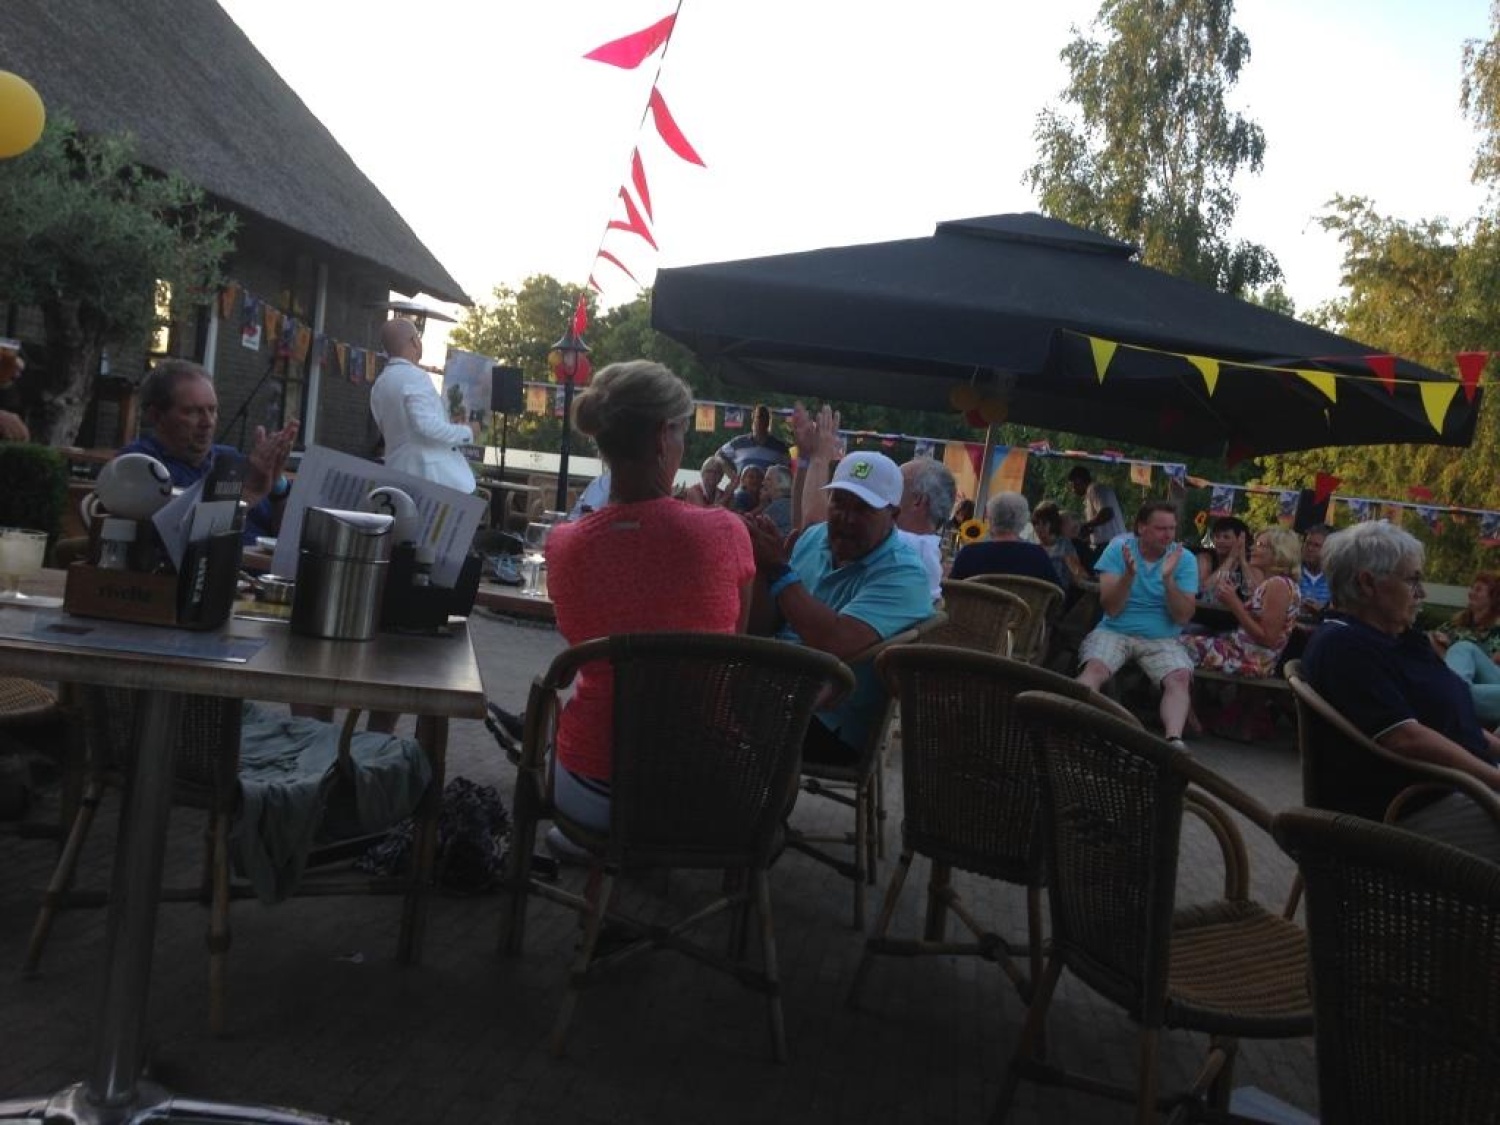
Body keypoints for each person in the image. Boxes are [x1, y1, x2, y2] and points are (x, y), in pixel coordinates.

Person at [546, 361, 755, 834]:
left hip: (589, 788)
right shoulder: (725, 531)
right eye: (682, 431)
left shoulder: (563, 544)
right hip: (698, 786)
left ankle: (599, 848)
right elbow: (735, 650)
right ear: (663, 437)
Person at [1302, 522, 1500, 862]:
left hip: (1455, 788)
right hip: (1411, 807)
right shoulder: (1344, 645)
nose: (1421, 593)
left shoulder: (1397, 638)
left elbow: (1452, 719)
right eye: (1412, 580)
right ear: (1367, 583)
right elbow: (1405, 738)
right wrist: (1494, 779)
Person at [744, 449, 931, 766]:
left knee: (701, 714)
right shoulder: (814, 537)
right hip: (774, 687)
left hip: (829, 721)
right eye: (839, 502)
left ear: (893, 515)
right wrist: (762, 568)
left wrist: (778, 569)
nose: (847, 517)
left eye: (863, 508)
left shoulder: (905, 574)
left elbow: (833, 640)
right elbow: (763, 627)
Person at [119, 359, 298, 543]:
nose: (208, 422)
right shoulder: (139, 466)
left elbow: (288, 536)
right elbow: (177, 541)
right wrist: (248, 492)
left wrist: (278, 487)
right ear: (156, 416)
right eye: (192, 412)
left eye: (212, 410)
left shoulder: (230, 459)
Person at [1075, 501, 1199, 746]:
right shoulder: (1119, 550)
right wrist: (1129, 576)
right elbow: (1111, 607)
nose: (1168, 535)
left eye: (1172, 528)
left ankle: (1174, 740)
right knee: (1095, 669)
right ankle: (1072, 725)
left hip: (1161, 637)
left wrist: (1168, 580)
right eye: (1161, 528)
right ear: (1142, 527)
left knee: (1180, 677)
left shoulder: (1183, 558)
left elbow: (1183, 617)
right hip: (1115, 630)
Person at [369, 317, 476, 494]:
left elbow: (400, 427)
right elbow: (425, 426)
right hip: (431, 476)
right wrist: (467, 432)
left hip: (396, 472)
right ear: (414, 341)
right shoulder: (415, 376)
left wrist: (447, 421)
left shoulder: (379, 385)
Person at [1182, 527, 1300, 677]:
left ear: (1278, 553)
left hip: (1247, 660)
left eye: (1259, 545)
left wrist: (1234, 603)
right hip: (1238, 652)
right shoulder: (1277, 583)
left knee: (1175, 645)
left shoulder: (1278, 585)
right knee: (1177, 644)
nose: (1252, 548)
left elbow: (1268, 639)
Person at [1430, 571, 1500, 726]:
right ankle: (1453, 694)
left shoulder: (1497, 630)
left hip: (1488, 681)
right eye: (1472, 588)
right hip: (1468, 686)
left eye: (1478, 589)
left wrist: (1448, 649)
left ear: (1494, 597)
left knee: (1464, 648)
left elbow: (1491, 666)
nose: (1471, 593)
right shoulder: (1454, 625)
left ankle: (1451, 695)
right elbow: (1430, 643)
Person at [949, 492, 1060, 587]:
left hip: (975, 606)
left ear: (990, 520)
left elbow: (950, 593)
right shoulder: (1038, 557)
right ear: (1023, 521)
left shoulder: (968, 554)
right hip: (1024, 607)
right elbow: (1057, 595)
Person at [894, 457, 956, 602]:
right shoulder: (927, 549)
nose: (887, 494)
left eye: (896, 486)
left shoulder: (903, 545)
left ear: (918, 500)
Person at [1066, 465, 1125, 563]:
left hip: (1110, 545)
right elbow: (1102, 521)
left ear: (1078, 481)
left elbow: (1107, 513)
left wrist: (1085, 525)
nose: (1073, 490)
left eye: (1073, 485)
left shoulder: (1094, 489)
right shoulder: (1094, 492)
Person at [1031, 500, 1090, 593]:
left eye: (1044, 523)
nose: (1038, 527)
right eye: (1036, 523)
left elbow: (1077, 570)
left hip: (1057, 594)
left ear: (1053, 523)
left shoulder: (1063, 545)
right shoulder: (1032, 545)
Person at [1195, 516, 1256, 606]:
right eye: (1217, 536)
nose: (1220, 541)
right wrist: (1231, 558)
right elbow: (1204, 589)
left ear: (1240, 540)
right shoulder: (1205, 558)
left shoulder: (1252, 561)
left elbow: (1256, 593)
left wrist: (1243, 561)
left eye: (1226, 537)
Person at [717, 403, 791, 476]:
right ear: (753, 420)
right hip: (742, 483)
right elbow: (719, 455)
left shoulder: (780, 447)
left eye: (765, 418)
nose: (761, 421)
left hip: (767, 484)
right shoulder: (738, 442)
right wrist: (732, 475)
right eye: (759, 417)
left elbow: (787, 472)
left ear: (769, 422)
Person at [1298, 523, 1331, 617]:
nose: (1310, 549)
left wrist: (1322, 611)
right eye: (1307, 543)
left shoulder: (1334, 580)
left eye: (1316, 546)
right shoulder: (1293, 573)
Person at [759, 464, 794, 535]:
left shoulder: (774, 509)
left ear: (782, 483)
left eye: (768, 479)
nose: (763, 483)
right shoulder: (795, 504)